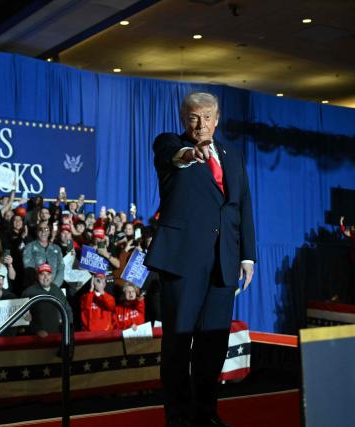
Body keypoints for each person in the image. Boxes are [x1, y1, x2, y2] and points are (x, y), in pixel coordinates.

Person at [144, 92, 256, 427]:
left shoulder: (233, 156)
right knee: (178, 344)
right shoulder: (169, 144)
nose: (201, 124)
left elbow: (242, 206)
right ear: (183, 118)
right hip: (183, 262)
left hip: (224, 263)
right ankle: (178, 417)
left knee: (213, 344)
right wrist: (190, 154)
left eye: (207, 117)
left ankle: (206, 414)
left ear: (218, 119)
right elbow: (173, 157)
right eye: (194, 117)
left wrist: (248, 256)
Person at [22, 263, 72, 337]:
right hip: (37, 339)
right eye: (42, 274)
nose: (46, 277)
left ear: (51, 276)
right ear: (37, 276)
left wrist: (67, 327)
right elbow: (23, 318)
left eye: (48, 274)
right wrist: (36, 330)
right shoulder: (28, 292)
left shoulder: (57, 290)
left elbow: (68, 310)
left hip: (57, 336)